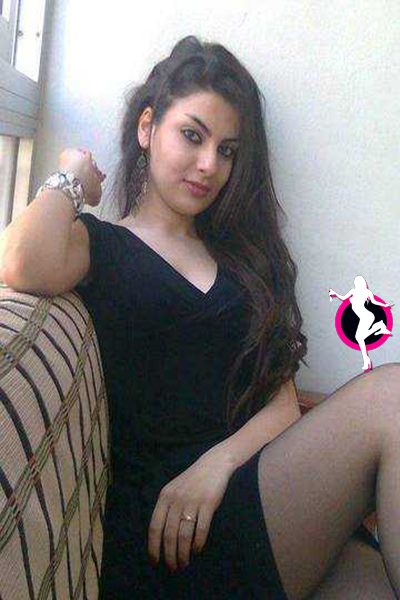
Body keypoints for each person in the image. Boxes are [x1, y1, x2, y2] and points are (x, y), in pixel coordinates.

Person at [2, 35, 400, 600]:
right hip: (171, 537)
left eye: (228, 150)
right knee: (391, 398)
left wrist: (217, 466)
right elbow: (20, 261)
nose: (210, 165)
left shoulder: (241, 259)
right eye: (193, 135)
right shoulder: (103, 245)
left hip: (243, 491)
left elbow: (282, 400)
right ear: (147, 128)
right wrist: (71, 175)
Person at [329, 276, 394, 372]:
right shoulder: (353, 291)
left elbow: (374, 302)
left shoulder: (367, 292)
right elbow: (343, 298)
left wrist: (384, 305)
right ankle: (378, 327)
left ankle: (366, 359)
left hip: (367, 316)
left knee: (359, 338)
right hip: (364, 317)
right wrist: (335, 294)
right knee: (359, 338)